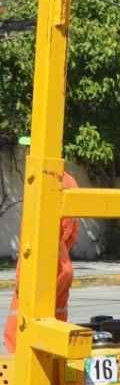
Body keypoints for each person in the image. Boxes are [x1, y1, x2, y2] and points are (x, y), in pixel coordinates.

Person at [4, 138, 80, 353]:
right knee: (55, 322)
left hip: (43, 262)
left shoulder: (44, 182)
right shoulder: (68, 181)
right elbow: (72, 231)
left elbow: (38, 230)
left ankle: (24, 376)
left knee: (23, 327)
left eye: (29, 148)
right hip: (61, 262)